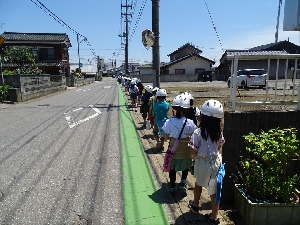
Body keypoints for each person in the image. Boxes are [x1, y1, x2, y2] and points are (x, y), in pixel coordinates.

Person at [187, 99, 225, 225]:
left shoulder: (198, 133)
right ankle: (214, 216)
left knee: (198, 184)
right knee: (213, 190)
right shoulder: (218, 132)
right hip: (215, 162)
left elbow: (192, 151)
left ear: (202, 116)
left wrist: (196, 156)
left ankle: (196, 205)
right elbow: (219, 147)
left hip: (202, 162)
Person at [162, 94, 197, 194]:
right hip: (186, 150)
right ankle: (183, 181)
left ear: (174, 109)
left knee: (172, 168)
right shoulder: (189, 122)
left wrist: (171, 137)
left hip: (174, 149)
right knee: (186, 166)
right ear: (185, 110)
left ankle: (172, 186)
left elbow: (165, 136)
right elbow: (194, 134)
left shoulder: (169, 122)